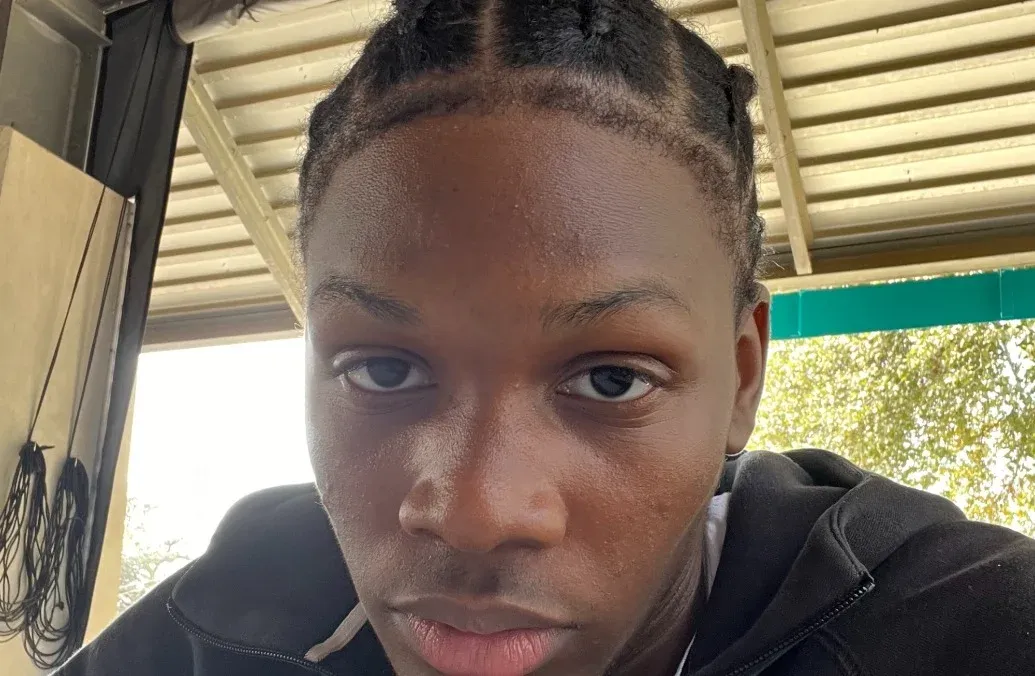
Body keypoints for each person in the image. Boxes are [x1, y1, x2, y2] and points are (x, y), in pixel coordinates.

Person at [58, 1, 1035, 674]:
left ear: (742, 377)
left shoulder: (970, 630)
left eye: (610, 379)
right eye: (383, 369)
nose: (474, 512)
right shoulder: (214, 631)